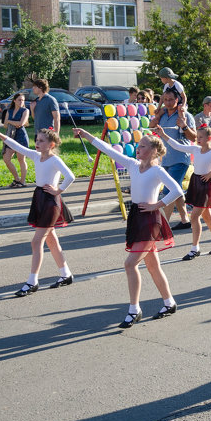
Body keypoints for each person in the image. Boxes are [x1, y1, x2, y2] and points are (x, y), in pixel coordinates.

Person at [76, 127, 184, 327]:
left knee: (130, 264)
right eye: (138, 145)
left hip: (150, 219)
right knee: (152, 266)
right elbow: (108, 149)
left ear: (153, 151)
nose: (138, 148)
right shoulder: (133, 165)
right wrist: (85, 134)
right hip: (136, 216)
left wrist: (157, 205)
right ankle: (169, 303)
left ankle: (134, 310)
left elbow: (177, 190)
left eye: (142, 146)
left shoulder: (157, 170)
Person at [0, 122, 76, 295]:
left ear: (51, 145)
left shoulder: (54, 159)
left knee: (36, 241)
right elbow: (16, 145)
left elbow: (71, 176)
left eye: (41, 141)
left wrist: (59, 190)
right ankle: (66, 274)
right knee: (51, 240)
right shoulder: (35, 155)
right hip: (40, 198)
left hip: (50, 202)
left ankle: (32, 282)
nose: (37, 143)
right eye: (37, 140)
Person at [156, 123, 211, 258]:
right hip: (196, 182)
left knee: (195, 216)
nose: (198, 139)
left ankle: (195, 248)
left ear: (209, 138)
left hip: (206, 184)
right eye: (197, 137)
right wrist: (163, 135)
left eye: (201, 137)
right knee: (207, 217)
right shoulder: (196, 149)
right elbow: (178, 146)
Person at [153, 89, 194, 229]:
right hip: (165, 159)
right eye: (165, 100)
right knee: (175, 190)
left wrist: (184, 126)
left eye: (171, 99)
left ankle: (162, 225)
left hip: (180, 159)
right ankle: (185, 220)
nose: (168, 102)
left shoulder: (185, 115)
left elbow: (194, 138)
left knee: (169, 192)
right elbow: (151, 127)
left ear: (178, 100)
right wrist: (157, 116)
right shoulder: (163, 115)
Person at [1, 92, 31, 187]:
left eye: (23, 100)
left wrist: (9, 121)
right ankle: (17, 179)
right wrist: (12, 122)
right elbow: (5, 125)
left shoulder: (25, 110)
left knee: (21, 159)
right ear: (14, 100)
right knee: (6, 158)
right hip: (10, 136)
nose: (21, 102)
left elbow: (21, 123)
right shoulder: (9, 111)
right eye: (19, 100)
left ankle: (23, 181)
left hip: (21, 136)